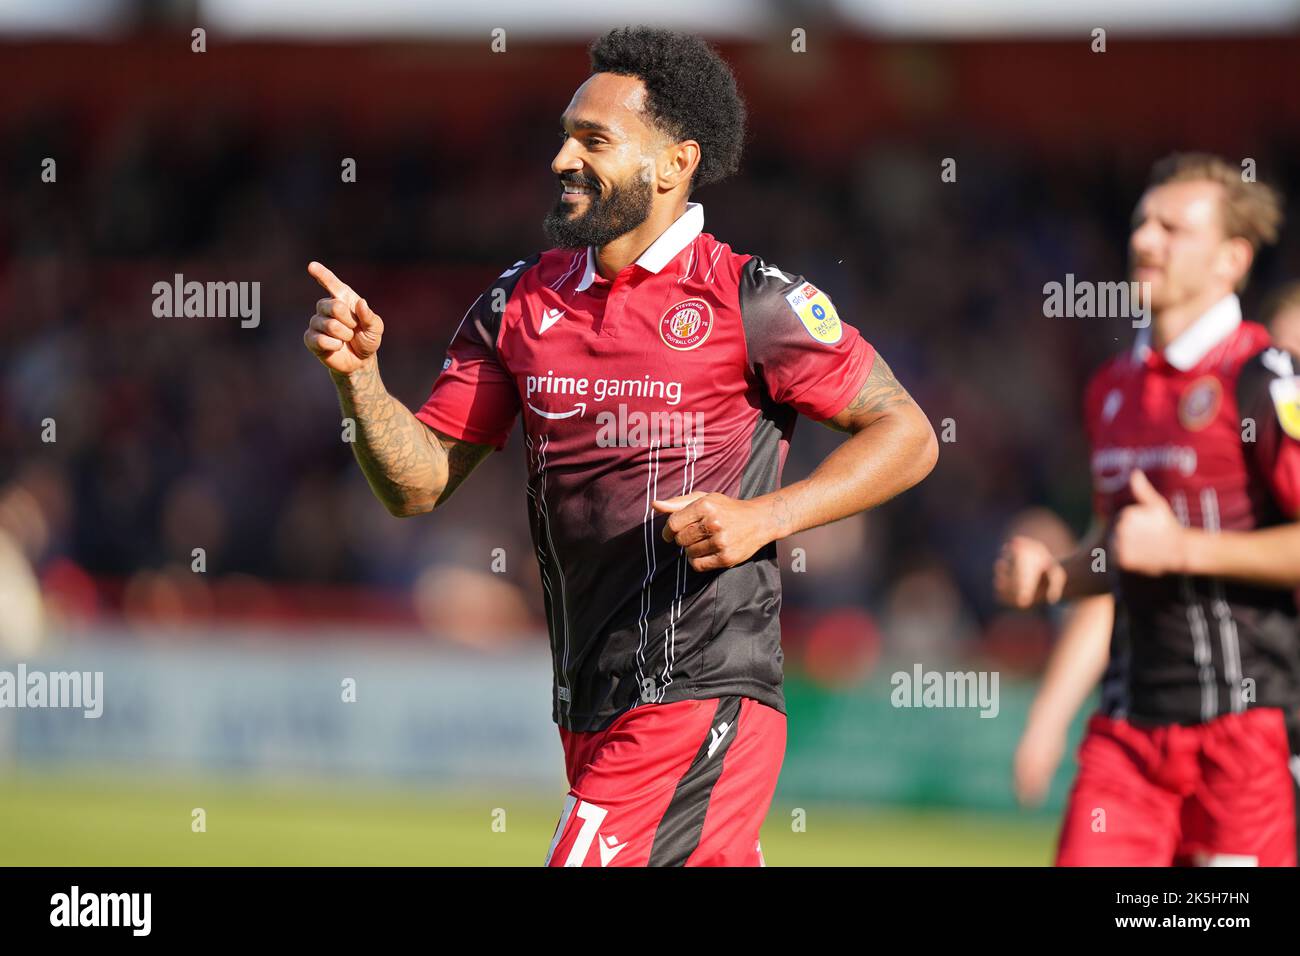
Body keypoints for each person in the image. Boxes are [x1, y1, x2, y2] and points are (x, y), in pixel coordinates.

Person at [303, 26, 937, 867]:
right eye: (566, 134)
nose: (564, 157)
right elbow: (417, 485)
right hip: (588, 705)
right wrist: (360, 381)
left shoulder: (751, 300)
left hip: (701, 691)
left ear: (675, 163)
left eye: (595, 139)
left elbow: (909, 433)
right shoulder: (519, 302)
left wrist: (762, 518)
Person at [995, 153, 1300, 865]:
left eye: (1173, 228)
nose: (1145, 240)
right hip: (1127, 737)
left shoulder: (1262, 378)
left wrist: (1185, 549)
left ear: (1232, 258)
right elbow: (1120, 542)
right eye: (1141, 223)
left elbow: (1165, 545)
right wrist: (1056, 577)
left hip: (1244, 735)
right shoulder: (1111, 388)